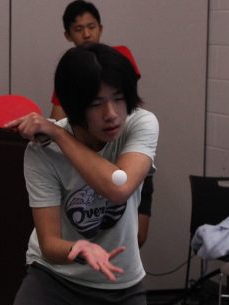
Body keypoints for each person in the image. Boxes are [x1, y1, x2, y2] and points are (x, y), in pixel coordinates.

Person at [0, 43, 159, 305]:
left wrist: (59, 134)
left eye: (118, 98)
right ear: (73, 105)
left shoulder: (141, 123)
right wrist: (78, 248)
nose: (111, 113)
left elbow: (120, 186)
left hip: (119, 283)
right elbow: (50, 245)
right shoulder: (40, 154)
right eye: (96, 104)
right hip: (55, 276)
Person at [51, 0, 153, 247]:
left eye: (91, 26)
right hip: (88, 166)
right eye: (78, 29)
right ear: (67, 35)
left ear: (101, 28)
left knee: (136, 237)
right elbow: (58, 117)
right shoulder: (69, 74)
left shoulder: (118, 57)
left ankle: (125, 275)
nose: (87, 33)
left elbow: (129, 102)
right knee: (94, 236)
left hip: (128, 156)